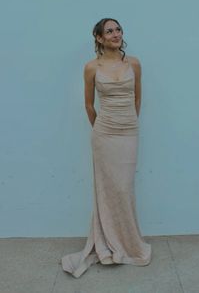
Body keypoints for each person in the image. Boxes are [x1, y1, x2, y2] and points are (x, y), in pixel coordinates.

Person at [61, 18, 151, 278]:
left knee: (124, 188)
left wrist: (128, 123)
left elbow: (137, 98)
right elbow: (89, 105)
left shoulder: (133, 63)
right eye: (109, 31)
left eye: (118, 29)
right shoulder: (91, 68)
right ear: (99, 38)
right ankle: (109, 243)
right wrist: (100, 129)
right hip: (104, 134)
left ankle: (129, 244)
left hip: (128, 132)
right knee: (108, 189)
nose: (116, 34)